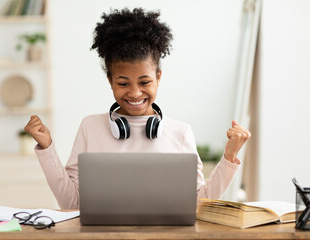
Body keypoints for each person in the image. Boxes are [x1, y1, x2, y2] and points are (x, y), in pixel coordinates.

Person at [24, 8, 251, 209]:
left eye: (144, 82)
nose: (134, 93)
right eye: (123, 83)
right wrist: (47, 148)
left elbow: (199, 204)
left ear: (158, 77)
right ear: (110, 79)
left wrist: (229, 156)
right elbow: (71, 203)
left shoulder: (180, 132)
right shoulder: (90, 127)